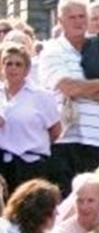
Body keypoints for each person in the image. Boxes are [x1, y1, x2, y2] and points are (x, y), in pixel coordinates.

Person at [39, 0, 99, 192]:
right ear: (60, 21)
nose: (78, 22)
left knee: (94, 198)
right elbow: (68, 87)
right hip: (64, 139)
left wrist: (82, 89)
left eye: (82, 16)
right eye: (72, 17)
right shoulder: (53, 50)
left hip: (97, 138)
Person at [0, 42, 61, 192]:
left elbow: (55, 131)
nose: (13, 68)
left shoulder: (41, 96)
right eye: (9, 64)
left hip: (31, 166)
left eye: (18, 64)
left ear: (27, 70)